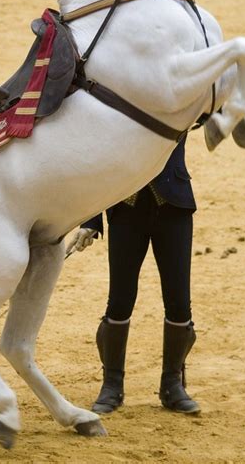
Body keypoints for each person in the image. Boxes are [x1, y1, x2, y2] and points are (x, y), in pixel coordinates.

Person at [66, 137, 200, 415]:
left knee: (178, 301)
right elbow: (99, 160)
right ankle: (111, 384)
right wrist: (90, 220)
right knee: (120, 299)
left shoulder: (177, 95)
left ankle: (172, 385)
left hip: (173, 205)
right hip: (126, 209)